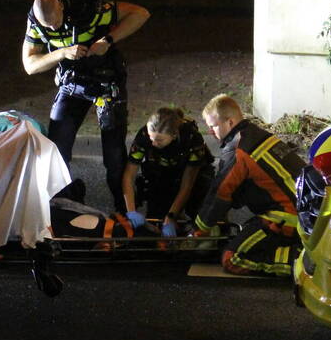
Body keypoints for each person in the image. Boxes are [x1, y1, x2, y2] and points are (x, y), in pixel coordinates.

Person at [21, 0, 150, 211]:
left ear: (61, 7)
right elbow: (30, 65)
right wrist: (61, 53)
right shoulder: (35, 21)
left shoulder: (88, 8)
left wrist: (107, 40)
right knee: (56, 150)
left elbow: (140, 13)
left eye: (56, 23)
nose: (52, 30)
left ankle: (125, 210)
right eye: (47, 27)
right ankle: (64, 204)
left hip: (106, 82)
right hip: (72, 84)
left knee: (114, 157)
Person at [194, 94, 305, 276]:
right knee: (247, 234)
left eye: (213, 126)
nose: (210, 132)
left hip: (286, 219)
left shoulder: (238, 151)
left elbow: (220, 193)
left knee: (232, 258)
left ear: (230, 122)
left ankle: (303, 263)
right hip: (302, 214)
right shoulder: (254, 135)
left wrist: (200, 229)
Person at [123, 107, 215, 238]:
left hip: (191, 175)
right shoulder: (144, 136)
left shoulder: (191, 138)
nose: (153, 143)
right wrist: (131, 211)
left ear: (174, 135)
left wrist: (172, 216)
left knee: (199, 211)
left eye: (159, 140)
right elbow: (128, 175)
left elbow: (187, 184)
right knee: (156, 220)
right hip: (160, 173)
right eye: (151, 137)